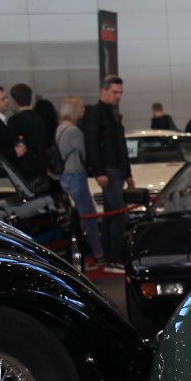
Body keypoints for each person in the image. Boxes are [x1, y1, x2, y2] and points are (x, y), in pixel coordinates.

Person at [82, 76, 132, 269]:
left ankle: (112, 255)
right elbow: (92, 144)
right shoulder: (95, 113)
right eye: (115, 92)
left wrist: (127, 173)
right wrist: (99, 171)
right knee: (118, 215)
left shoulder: (112, 113)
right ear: (103, 91)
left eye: (120, 93)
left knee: (112, 214)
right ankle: (115, 256)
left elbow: (121, 144)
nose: (118, 96)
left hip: (116, 169)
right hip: (108, 170)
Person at [54, 96, 103, 265]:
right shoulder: (73, 130)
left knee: (78, 215)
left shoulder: (60, 128)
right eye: (81, 107)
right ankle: (97, 252)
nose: (83, 110)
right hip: (76, 175)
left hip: (65, 175)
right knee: (88, 215)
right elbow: (85, 152)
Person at [8, 83, 50, 180]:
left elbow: (15, 144)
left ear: (14, 101)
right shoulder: (39, 117)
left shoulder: (14, 120)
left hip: (26, 166)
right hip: (43, 163)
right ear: (31, 98)